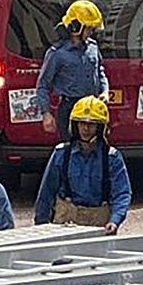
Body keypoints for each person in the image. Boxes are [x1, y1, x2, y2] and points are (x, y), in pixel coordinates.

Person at [34, 96, 132, 233]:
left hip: (99, 221)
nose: (86, 129)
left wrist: (115, 220)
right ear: (74, 125)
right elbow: (46, 192)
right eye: (81, 123)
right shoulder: (62, 153)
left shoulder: (111, 157)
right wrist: (40, 225)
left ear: (100, 127)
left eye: (91, 124)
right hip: (65, 220)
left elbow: (122, 193)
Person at [36, 0, 110, 139]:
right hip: (69, 108)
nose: (90, 32)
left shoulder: (93, 48)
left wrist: (105, 91)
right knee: (71, 150)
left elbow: (100, 72)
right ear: (76, 27)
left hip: (93, 107)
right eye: (88, 28)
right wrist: (46, 113)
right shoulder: (57, 54)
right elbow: (43, 85)